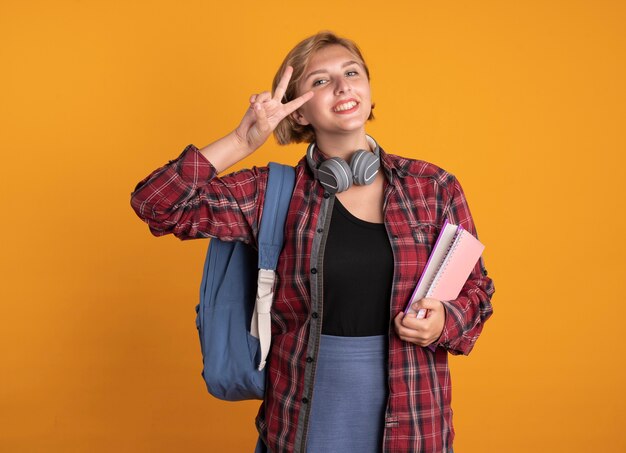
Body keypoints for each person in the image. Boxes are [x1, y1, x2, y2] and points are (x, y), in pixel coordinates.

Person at [131, 31, 494, 453]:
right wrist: (241, 141)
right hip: (305, 419)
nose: (342, 86)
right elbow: (156, 205)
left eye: (351, 72)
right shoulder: (272, 194)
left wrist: (443, 322)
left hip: (415, 419)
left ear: (368, 89)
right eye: (320, 81)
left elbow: (477, 291)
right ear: (298, 113)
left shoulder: (432, 187)